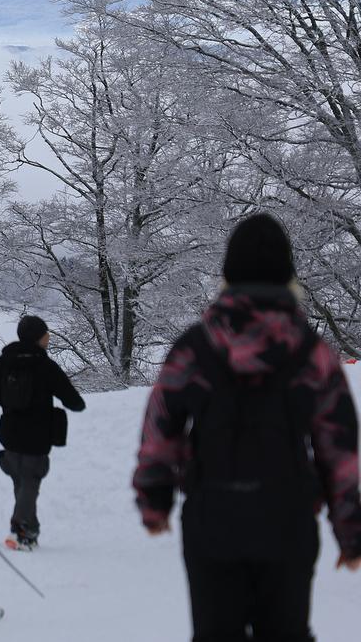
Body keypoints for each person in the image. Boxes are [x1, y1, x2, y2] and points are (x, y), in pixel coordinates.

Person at [134, 213, 361, 641]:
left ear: (227, 273)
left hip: (212, 518)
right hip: (287, 517)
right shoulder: (311, 352)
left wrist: (154, 498)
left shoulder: (196, 346)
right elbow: (339, 446)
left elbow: (160, 425)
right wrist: (349, 528)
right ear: (289, 272)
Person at [0, 315, 85, 550]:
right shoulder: (44, 365)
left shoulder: (4, 361)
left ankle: (30, 529)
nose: (49, 337)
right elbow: (73, 400)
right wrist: (71, 405)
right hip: (37, 434)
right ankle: (21, 530)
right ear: (38, 337)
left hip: (9, 432)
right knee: (30, 482)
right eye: (46, 333)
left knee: (22, 482)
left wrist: (7, 400)